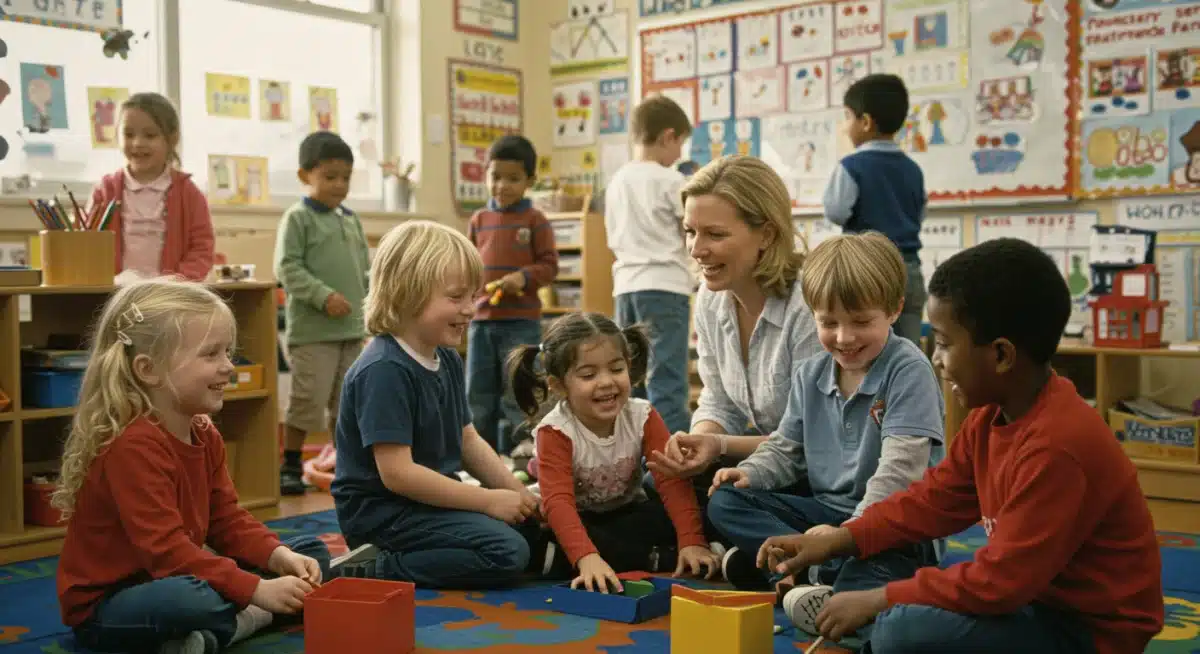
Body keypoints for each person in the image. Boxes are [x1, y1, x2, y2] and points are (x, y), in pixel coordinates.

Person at [760, 238, 1164, 653]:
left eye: (945, 343)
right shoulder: (989, 419)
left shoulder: (1057, 446)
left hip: (1089, 631)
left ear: (1002, 355)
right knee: (902, 622)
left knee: (902, 629)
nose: (936, 358)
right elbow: (930, 502)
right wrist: (838, 539)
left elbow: (1000, 581)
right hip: (1030, 602)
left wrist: (880, 598)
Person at [55, 279, 332, 654]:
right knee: (195, 599)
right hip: (111, 606)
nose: (229, 367)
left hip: (174, 574)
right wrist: (257, 590)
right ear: (148, 370)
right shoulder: (132, 445)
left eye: (228, 353)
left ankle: (219, 630)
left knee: (310, 554)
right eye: (211, 355)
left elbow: (227, 521)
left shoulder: (203, 432)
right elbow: (167, 553)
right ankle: (247, 617)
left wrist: (280, 557)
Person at [706, 232, 944, 619]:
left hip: (889, 525)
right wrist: (749, 472)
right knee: (726, 500)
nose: (844, 337)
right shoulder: (811, 372)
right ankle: (805, 572)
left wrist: (843, 538)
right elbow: (786, 447)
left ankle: (791, 571)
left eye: (861, 321)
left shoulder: (908, 371)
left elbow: (899, 474)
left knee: (876, 584)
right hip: (824, 514)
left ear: (895, 309)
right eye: (828, 322)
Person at [331, 220, 541, 588]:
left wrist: (518, 495)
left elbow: (467, 441)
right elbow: (398, 474)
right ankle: (372, 567)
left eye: (472, 296)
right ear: (406, 294)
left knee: (530, 530)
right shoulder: (384, 368)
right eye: (456, 297)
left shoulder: (446, 358)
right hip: (383, 516)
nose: (470, 309)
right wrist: (488, 501)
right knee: (507, 551)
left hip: (426, 504)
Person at [645, 155, 821, 517]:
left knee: (725, 502)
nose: (696, 249)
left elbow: (808, 439)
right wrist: (698, 442)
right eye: (690, 231)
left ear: (767, 234)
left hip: (815, 472)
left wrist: (719, 443)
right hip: (759, 460)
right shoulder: (712, 297)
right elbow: (719, 400)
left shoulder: (808, 305)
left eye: (715, 234)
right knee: (656, 482)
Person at [508, 312, 719, 592]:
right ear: (558, 385)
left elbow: (670, 479)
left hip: (627, 512)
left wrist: (692, 540)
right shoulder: (556, 431)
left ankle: (666, 552)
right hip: (575, 519)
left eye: (616, 369)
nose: (606, 382)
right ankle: (653, 558)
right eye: (588, 374)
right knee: (534, 531)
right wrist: (586, 558)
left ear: (628, 367)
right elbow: (559, 503)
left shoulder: (642, 415)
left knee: (692, 508)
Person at [273, 131, 371, 496]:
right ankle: (290, 463)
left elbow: (363, 271)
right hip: (313, 332)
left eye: (345, 178)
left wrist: (370, 306)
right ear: (305, 176)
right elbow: (287, 268)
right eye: (330, 177)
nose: (339, 185)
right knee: (306, 399)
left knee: (347, 403)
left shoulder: (350, 219)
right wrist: (323, 295)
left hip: (351, 330)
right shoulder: (297, 219)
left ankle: (346, 463)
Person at [604, 93, 695, 434]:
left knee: (630, 379)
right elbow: (689, 228)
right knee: (667, 379)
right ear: (668, 136)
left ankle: (634, 458)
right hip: (665, 287)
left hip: (625, 287)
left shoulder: (617, 181)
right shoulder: (671, 180)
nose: (679, 155)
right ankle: (674, 467)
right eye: (680, 144)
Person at [466, 134, 559, 456]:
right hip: (480, 322)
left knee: (517, 385)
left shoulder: (535, 220)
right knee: (478, 389)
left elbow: (550, 266)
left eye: (513, 178)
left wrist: (522, 277)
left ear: (529, 181)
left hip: (520, 322)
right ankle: (478, 450)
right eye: (495, 177)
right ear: (486, 175)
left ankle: (523, 443)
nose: (502, 185)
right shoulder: (479, 220)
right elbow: (468, 266)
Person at [821, 74, 927, 346]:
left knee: (868, 352)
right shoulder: (913, 169)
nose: (846, 127)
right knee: (909, 349)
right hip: (910, 269)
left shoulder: (851, 166)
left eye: (848, 118)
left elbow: (835, 212)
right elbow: (919, 213)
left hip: (867, 271)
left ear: (865, 122)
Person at [88, 92, 214, 283]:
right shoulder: (105, 191)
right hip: (114, 295)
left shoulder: (189, 194)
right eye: (128, 134)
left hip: (168, 296)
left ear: (172, 139)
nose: (138, 144)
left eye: (150, 135)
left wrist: (177, 280)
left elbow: (202, 249)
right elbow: (87, 245)